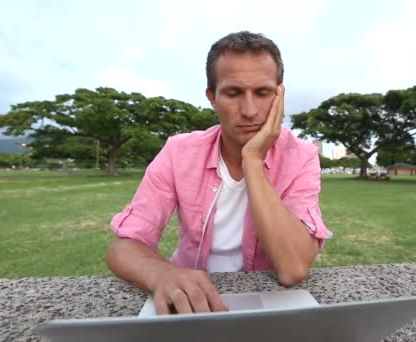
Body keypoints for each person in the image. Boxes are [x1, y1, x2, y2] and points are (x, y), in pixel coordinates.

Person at [106, 31, 332, 315]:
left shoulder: (301, 156)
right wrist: (162, 274)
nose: (249, 111)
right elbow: (124, 247)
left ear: (279, 95)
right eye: (233, 92)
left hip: (268, 300)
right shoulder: (179, 152)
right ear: (212, 97)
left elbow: (293, 269)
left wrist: (252, 159)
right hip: (193, 296)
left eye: (262, 93)